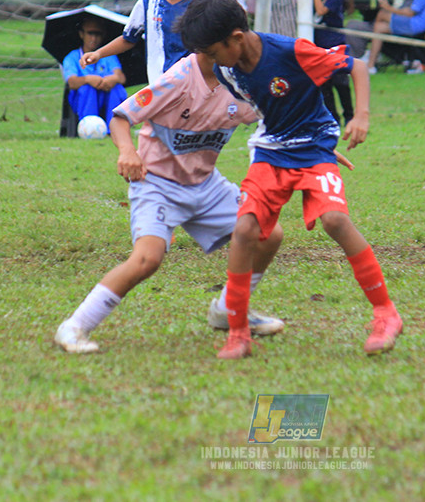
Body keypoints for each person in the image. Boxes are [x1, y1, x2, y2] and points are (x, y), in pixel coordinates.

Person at [176, 0, 403, 360]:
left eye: (212, 52)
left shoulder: (291, 52)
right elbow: (265, 107)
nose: (210, 61)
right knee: (246, 229)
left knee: (334, 220)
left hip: (314, 145)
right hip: (272, 149)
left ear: (235, 38)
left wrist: (360, 117)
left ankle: (386, 314)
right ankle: (237, 333)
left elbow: (357, 67)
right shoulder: (225, 65)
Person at [54, 49, 287, 354]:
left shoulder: (239, 82)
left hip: (205, 184)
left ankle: (227, 310)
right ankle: (74, 326)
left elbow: (280, 119)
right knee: (147, 259)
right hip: (156, 183)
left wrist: (309, 147)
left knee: (268, 233)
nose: (243, 49)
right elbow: (121, 118)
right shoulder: (177, 80)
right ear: (210, 46)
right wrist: (128, 152)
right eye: (235, 41)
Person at [61, 16, 127, 126]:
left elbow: (121, 77)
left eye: (98, 34)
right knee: (87, 89)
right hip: (83, 99)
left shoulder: (108, 55)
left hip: (105, 95)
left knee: (117, 88)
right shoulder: (72, 57)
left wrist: (112, 79)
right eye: (90, 33)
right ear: (81, 34)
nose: (94, 38)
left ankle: (115, 127)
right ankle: (89, 126)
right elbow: (71, 82)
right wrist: (88, 79)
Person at [313, 0, 354, 126]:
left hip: (335, 43)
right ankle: (333, 119)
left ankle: (350, 115)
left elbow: (321, 11)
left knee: (341, 81)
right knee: (324, 84)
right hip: (318, 44)